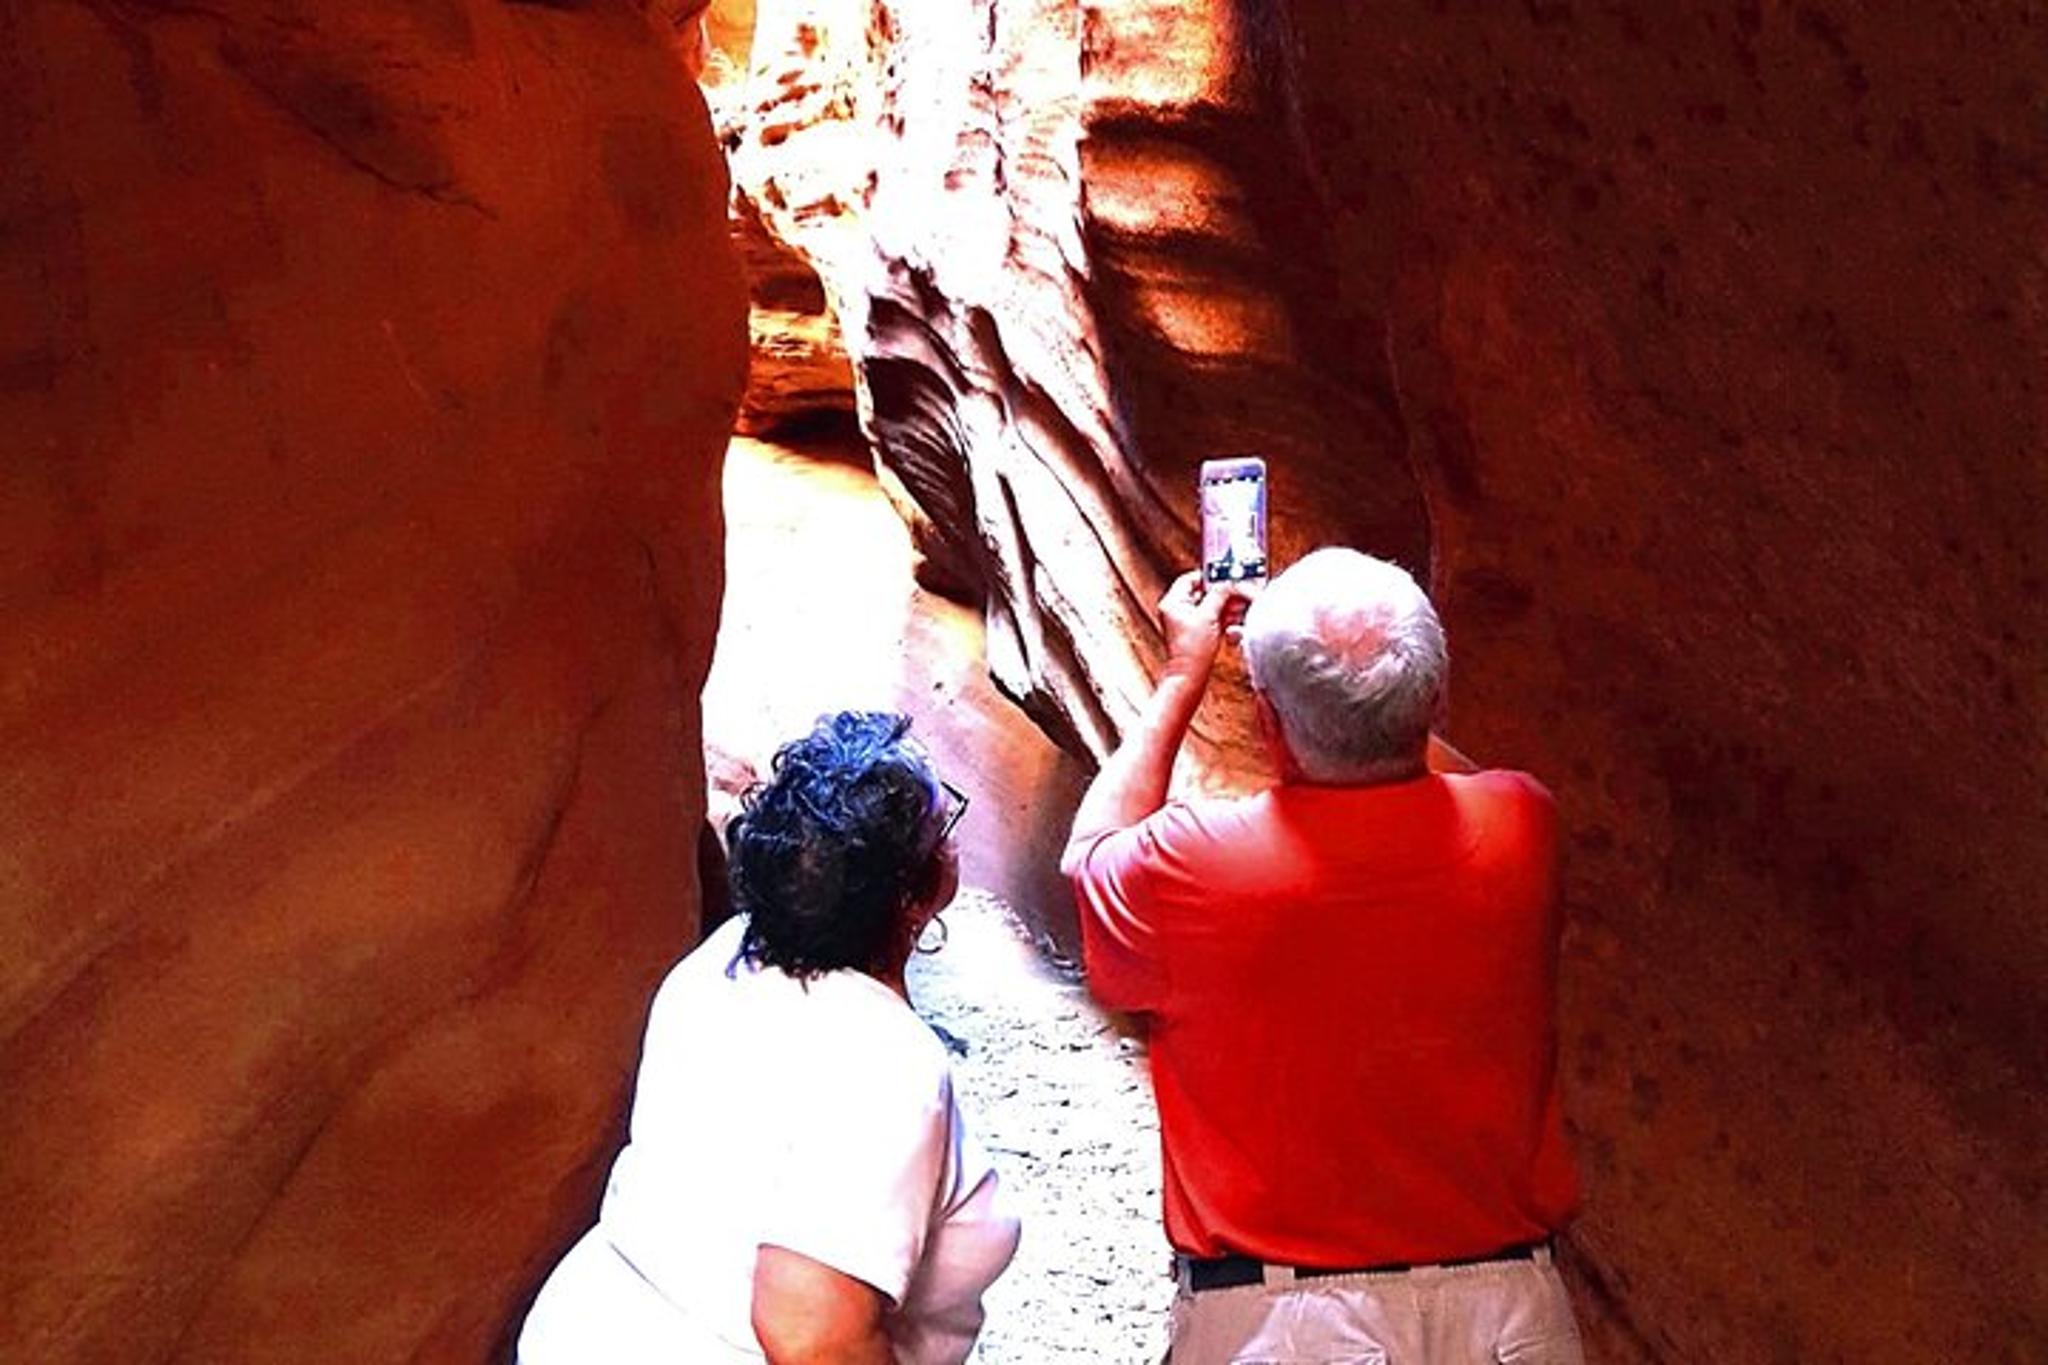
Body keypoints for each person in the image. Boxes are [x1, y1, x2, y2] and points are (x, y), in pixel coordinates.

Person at [1062, 548, 1582, 1364]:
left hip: (1288, 1323)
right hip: (1510, 1321)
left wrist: (1183, 673)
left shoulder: (1192, 869)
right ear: (1435, 696)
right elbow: (1442, 775)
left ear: (1268, 722)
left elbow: (1089, 855)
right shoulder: (1523, 829)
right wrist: (1371, 690)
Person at [520, 711, 1020, 1365]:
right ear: (913, 894)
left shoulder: (727, 956)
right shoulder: (886, 1067)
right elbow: (812, 1335)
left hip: (588, 1331)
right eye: (942, 826)